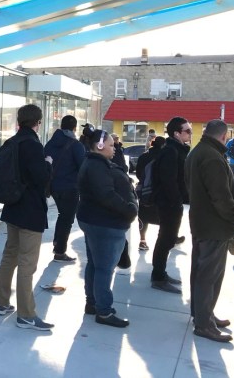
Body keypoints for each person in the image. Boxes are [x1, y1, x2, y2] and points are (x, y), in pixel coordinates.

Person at [0, 104, 54, 331]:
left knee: (10, 255)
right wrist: (48, 164)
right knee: (27, 263)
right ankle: (26, 315)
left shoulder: (12, 142)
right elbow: (41, 178)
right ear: (37, 122)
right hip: (30, 210)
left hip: (12, 207)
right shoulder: (33, 145)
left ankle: (2, 303)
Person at [185, 119, 234, 343]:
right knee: (208, 276)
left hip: (203, 223)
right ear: (224, 136)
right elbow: (221, 197)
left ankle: (203, 314)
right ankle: (203, 324)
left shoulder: (199, 152)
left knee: (202, 273)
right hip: (214, 226)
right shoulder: (211, 157)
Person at [77, 127, 138, 327]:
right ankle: (103, 311)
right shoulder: (97, 167)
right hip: (104, 223)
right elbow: (106, 195)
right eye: (111, 145)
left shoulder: (95, 163)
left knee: (95, 264)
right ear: (99, 146)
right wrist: (129, 209)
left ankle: (92, 303)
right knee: (104, 268)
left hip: (95, 221)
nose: (115, 148)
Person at [150, 116, 191, 294]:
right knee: (165, 239)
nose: (190, 133)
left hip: (172, 202)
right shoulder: (170, 151)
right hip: (168, 203)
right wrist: (176, 201)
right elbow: (168, 180)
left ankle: (160, 274)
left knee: (167, 239)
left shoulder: (178, 149)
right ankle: (158, 277)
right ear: (176, 133)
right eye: (187, 130)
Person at [44, 115, 86, 263]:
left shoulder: (50, 143)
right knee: (67, 218)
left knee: (63, 216)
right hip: (70, 187)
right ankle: (60, 251)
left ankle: (58, 244)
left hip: (53, 187)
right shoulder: (75, 145)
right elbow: (83, 167)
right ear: (75, 128)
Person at [135, 136, 165, 251]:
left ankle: (142, 241)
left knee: (143, 217)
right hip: (159, 192)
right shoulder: (163, 157)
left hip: (144, 192)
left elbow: (138, 173)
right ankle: (163, 241)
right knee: (163, 218)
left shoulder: (143, 156)